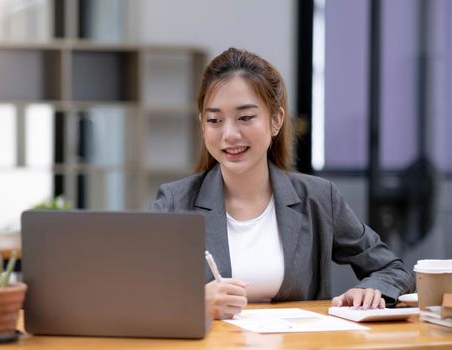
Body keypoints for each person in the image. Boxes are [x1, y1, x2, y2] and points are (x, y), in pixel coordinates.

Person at [149, 47, 415, 320]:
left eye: (245, 117)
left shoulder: (319, 198)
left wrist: (371, 289)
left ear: (275, 120)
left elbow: (392, 269)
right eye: (214, 120)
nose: (229, 134)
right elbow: (133, 289)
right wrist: (194, 303)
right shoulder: (175, 202)